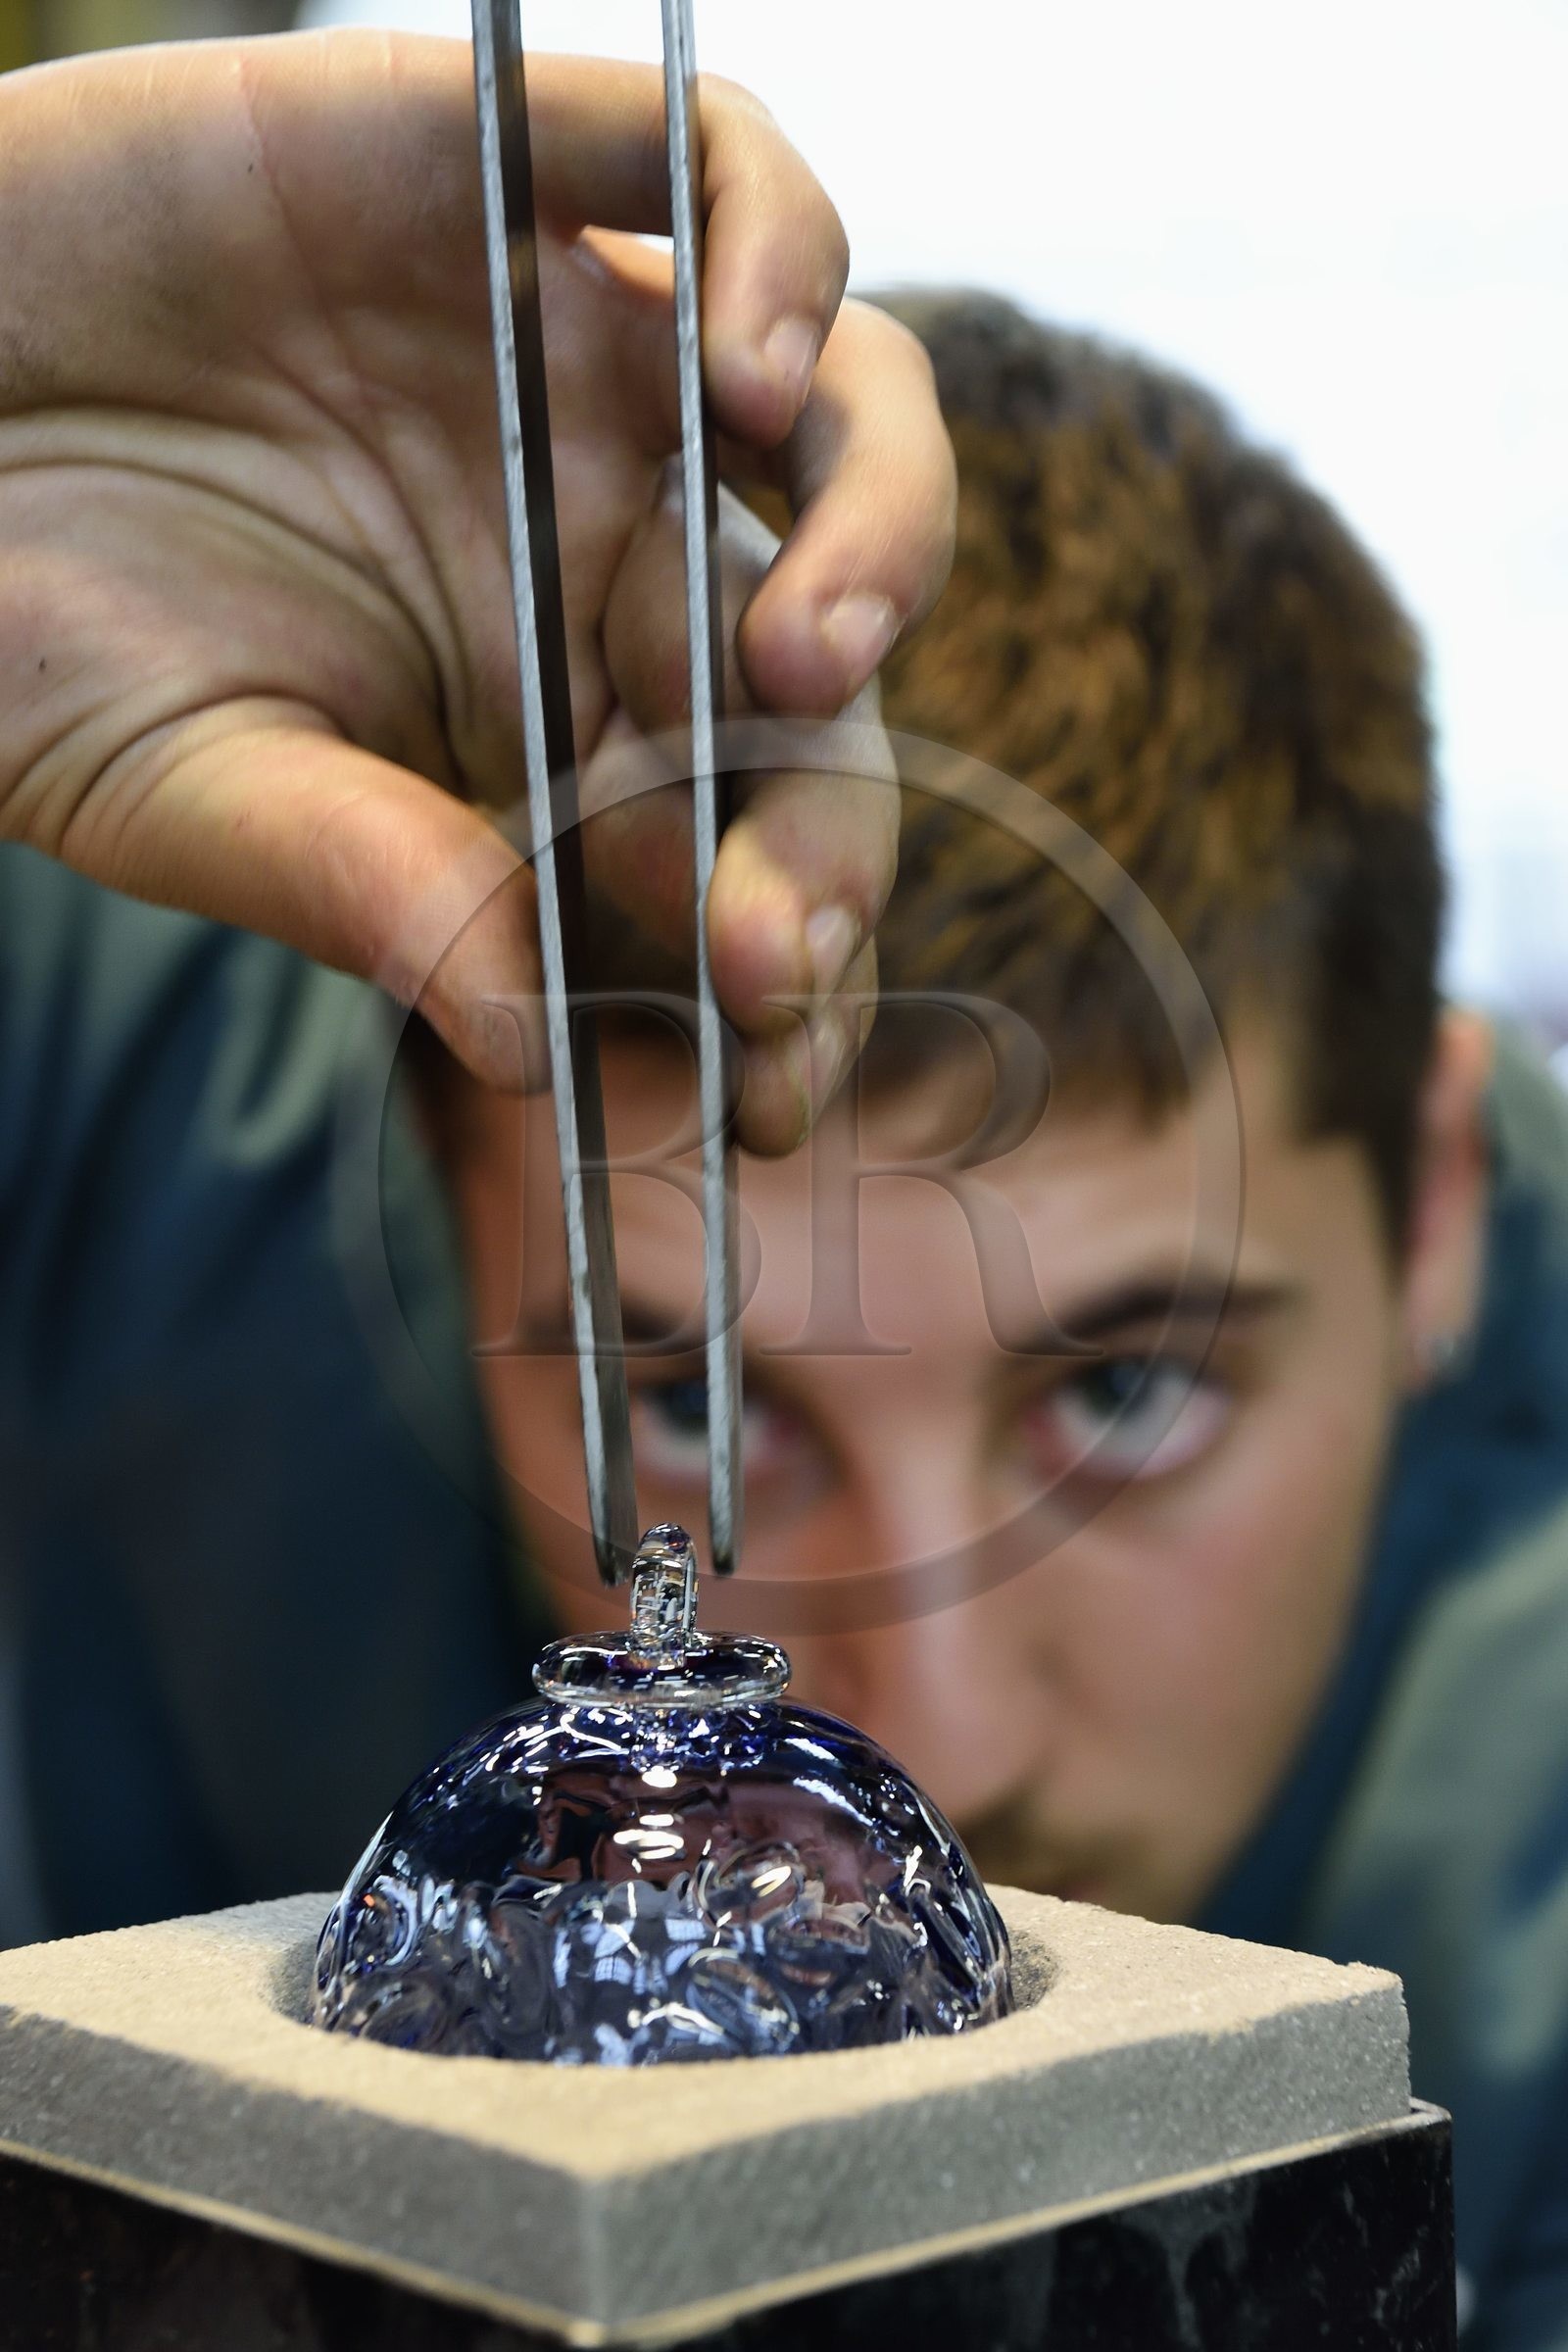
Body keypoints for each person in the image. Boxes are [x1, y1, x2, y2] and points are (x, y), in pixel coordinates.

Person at [3, 44, 1566, 2352]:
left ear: (1440, 1201)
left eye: (1127, 1392)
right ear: (440, 1181)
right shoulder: (169, 1088)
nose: (936, 1730)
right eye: (674, 1387)